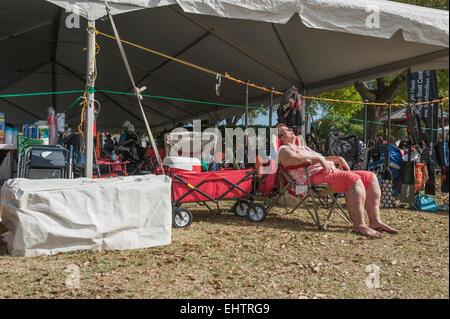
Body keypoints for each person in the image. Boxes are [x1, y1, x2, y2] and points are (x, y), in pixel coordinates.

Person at [277, 123, 398, 238]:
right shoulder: (284, 150)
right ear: (281, 137)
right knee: (352, 179)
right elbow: (291, 160)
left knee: (370, 177)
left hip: (329, 172)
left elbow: (322, 158)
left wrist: (337, 158)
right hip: (311, 178)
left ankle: (375, 221)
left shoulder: (303, 147)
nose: (291, 130)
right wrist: (316, 159)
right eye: (287, 130)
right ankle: (359, 225)